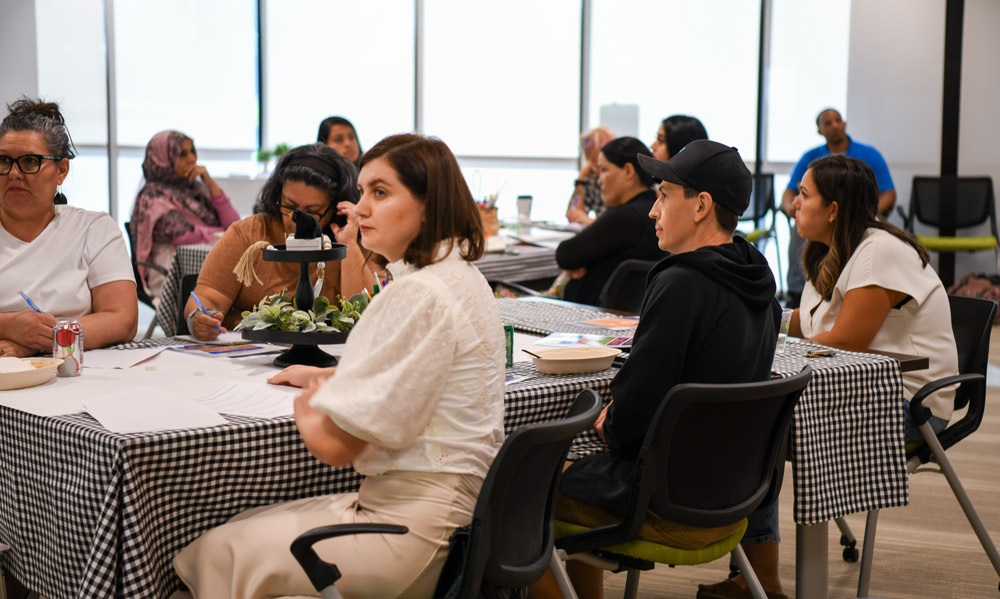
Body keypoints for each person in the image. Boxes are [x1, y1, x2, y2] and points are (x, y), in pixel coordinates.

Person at [173, 133, 505, 599]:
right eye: (363, 191)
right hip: (457, 515)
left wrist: (311, 407)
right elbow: (419, 373)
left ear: (429, 206)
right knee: (243, 524)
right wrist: (331, 376)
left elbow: (337, 447)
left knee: (218, 546)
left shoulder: (417, 293)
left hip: (413, 527)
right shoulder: (460, 277)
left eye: (381, 193)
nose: (362, 208)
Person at [698, 155, 958, 599]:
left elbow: (846, 342)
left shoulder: (880, 251)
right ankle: (757, 577)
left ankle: (759, 578)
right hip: (852, 393)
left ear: (833, 209)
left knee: (759, 430)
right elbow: (808, 323)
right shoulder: (827, 253)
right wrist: (746, 320)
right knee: (755, 423)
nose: (793, 203)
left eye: (803, 194)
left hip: (908, 404)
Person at [533, 140, 781, 599]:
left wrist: (617, 416)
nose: (653, 210)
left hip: (664, 501)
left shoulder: (681, 281)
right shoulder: (758, 276)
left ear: (702, 205)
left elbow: (627, 427)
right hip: (731, 499)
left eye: (665, 195)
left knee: (513, 488)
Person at [183, 143, 373, 340]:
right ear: (277, 195)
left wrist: (350, 243)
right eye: (289, 205)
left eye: (312, 211)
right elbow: (206, 299)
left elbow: (364, 317)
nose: (295, 219)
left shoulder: (347, 238)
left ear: (335, 207)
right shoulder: (249, 234)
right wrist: (199, 319)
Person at [0, 98, 137, 357]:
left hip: (77, 372)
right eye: (4, 161)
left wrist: (36, 342)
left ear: (62, 170)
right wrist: (9, 325)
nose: (13, 174)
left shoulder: (94, 229)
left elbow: (122, 320)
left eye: (30, 162)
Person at [781, 108, 895, 308]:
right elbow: (788, 194)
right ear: (819, 131)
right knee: (799, 229)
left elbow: (889, 193)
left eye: (838, 120)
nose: (835, 126)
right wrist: (794, 209)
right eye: (828, 123)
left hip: (860, 218)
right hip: (826, 220)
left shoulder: (869, 154)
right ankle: (795, 293)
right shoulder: (810, 157)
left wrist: (863, 213)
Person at [129, 130, 241, 300]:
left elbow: (234, 225)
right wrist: (223, 234)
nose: (191, 159)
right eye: (182, 154)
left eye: (192, 151)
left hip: (202, 269)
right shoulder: (153, 197)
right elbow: (188, 236)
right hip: (172, 277)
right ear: (163, 159)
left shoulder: (195, 189)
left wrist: (210, 183)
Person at [555, 137, 666, 306]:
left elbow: (565, 254)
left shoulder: (627, 216)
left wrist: (582, 261)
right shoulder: (653, 210)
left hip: (589, 316)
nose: (599, 180)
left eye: (604, 170)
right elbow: (573, 211)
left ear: (628, 171)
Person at [566, 126, 617, 226]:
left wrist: (591, 223)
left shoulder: (620, 180)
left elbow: (616, 224)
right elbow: (573, 211)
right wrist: (580, 181)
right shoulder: (592, 180)